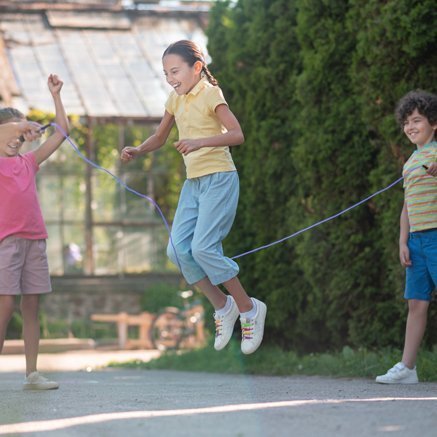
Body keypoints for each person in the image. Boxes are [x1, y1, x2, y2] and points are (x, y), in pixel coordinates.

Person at [121, 40, 267, 354]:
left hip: (219, 179)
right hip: (194, 184)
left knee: (203, 248)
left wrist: (200, 143)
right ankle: (223, 307)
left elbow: (237, 134)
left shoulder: (211, 93)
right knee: (177, 251)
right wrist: (138, 149)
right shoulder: (175, 99)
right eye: (165, 73)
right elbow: (160, 137)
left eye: (175, 71)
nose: (170, 78)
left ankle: (249, 309)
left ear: (196, 67)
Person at [0, 74, 69, 390]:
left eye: (22, 133)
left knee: (31, 307)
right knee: (5, 304)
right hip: (7, 243)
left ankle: (32, 374)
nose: (18, 138)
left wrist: (55, 96)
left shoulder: (28, 161)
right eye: (13, 132)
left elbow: (62, 132)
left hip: (35, 242)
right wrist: (20, 126)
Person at [376, 90, 437, 384]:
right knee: (416, 303)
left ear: (433, 124)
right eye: (406, 123)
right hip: (417, 241)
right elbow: (407, 205)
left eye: (417, 120)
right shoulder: (410, 162)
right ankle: (407, 368)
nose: (410, 127)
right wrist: (403, 241)